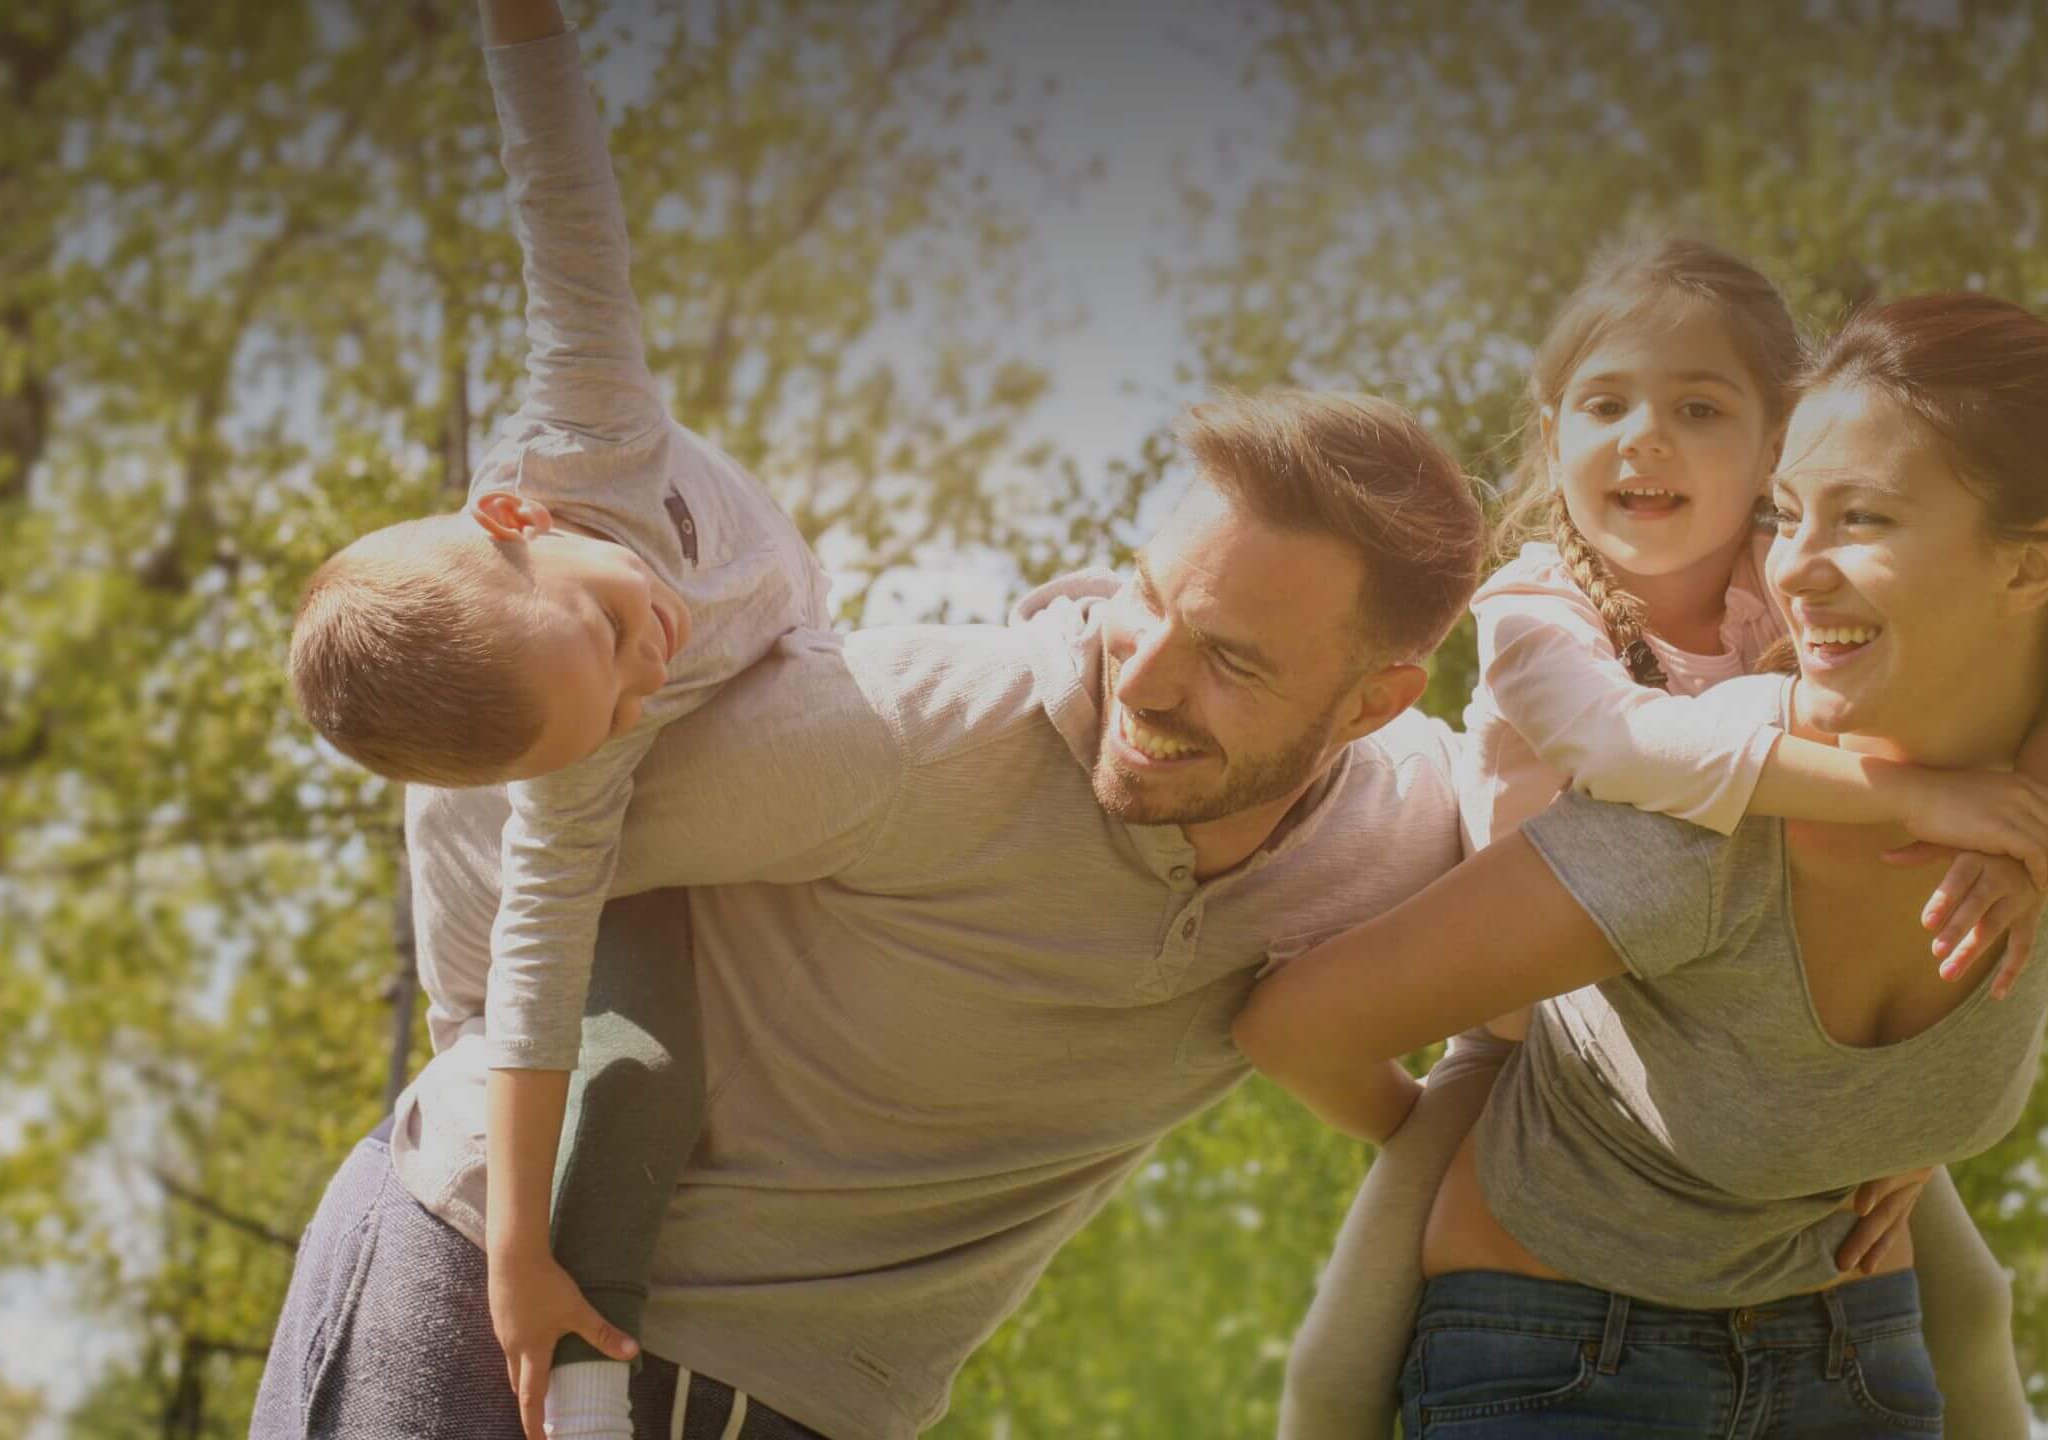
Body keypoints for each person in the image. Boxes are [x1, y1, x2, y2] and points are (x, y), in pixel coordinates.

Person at [254, 384, 1521, 1439]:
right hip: (502, 1309)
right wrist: (505, 1075)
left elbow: (1621, 849)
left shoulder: (1410, 835)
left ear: (1373, 704)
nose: (1144, 674)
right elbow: (499, 802)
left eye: (1232, 660)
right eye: (1146, 596)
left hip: (822, 1405)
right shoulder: (905, 733)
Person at [1237, 291, 2048, 1437]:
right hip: (1565, 1358)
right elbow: (1298, 1026)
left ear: (2033, 569)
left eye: (1864, 519)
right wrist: (1441, 1131)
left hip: (1859, 1351)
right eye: (1787, 515)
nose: (1794, 571)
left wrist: (1900, 1131)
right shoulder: (1705, 819)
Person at [283, 0, 829, 1433]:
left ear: (516, 516)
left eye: (603, 631)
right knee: (638, 1076)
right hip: (482, 912)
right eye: (610, 706)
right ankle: (588, 1400)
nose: (651, 668)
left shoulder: (589, 427)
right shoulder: (577, 763)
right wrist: (517, 1255)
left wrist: (522, 32)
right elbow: (530, 989)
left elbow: (564, 204)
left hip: (528, 788)